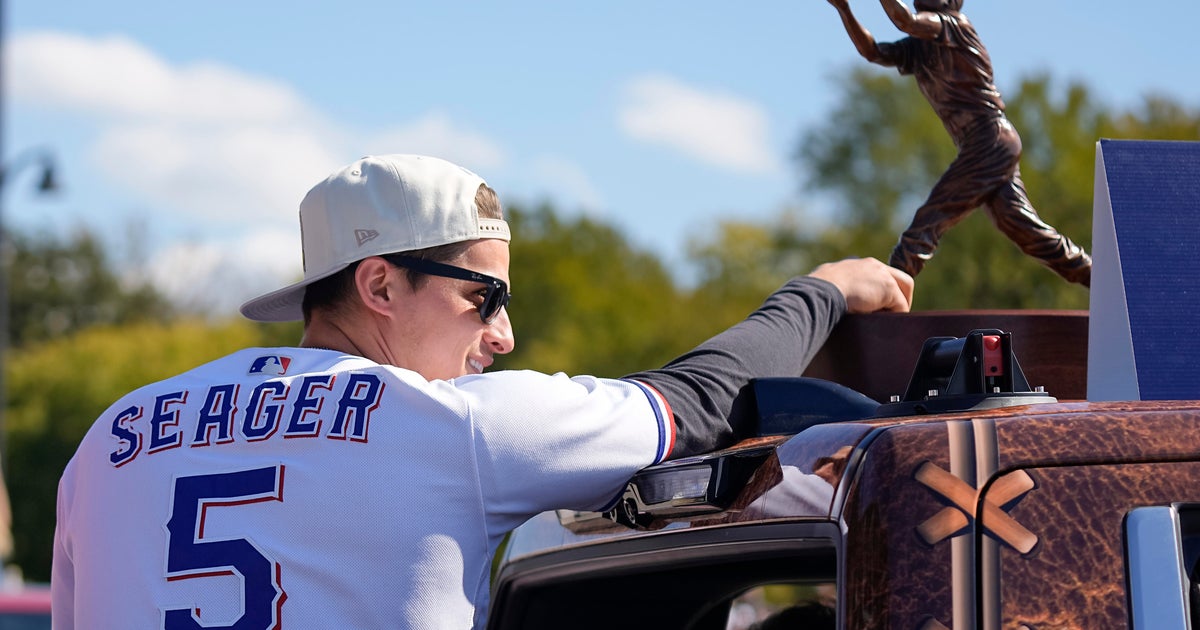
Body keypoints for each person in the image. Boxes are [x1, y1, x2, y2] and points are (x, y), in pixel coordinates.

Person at [51, 154, 911, 629]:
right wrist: (823, 291)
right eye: (482, 296)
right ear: (380, 287)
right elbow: (696, 401)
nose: (502, 335)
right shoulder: (449, 426)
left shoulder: (108, 438)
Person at [826, 0, 1093, 287]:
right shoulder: (919, 46)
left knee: (929, 219)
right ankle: (1101, 277)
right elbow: (874, 52)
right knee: (1027, 232)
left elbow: (904, 19)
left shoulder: (955, 26)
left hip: (990, 139)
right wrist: (845, 10)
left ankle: (890, 291)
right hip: (984, 145)